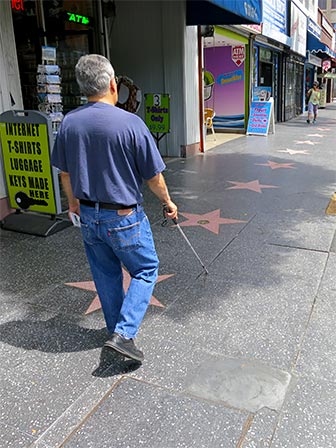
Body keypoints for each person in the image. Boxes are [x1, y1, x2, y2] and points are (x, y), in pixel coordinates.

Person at [51, 54, 178, 363]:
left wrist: (73, 204)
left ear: (83, 87)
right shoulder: (131, 123)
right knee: (146, 269)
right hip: (123, 217)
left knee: (105, 274)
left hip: (88, 216)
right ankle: (123, 334)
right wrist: (167, 202)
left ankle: (115, 331)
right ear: (111, 84)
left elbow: (64, 173)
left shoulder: (70, 122)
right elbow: (153, 177)